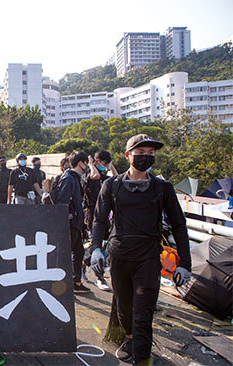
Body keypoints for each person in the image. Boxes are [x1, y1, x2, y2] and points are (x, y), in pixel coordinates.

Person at [91, 134, 192, 365]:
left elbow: (178, 224)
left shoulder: (162, 188)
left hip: (148, 256)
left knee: (143, 310)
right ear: (128, 156)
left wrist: (185, 263)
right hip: (119, 255)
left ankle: (143, 355)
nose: (146, 157)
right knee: (124, 308)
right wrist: (96, 248)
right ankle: (129, 337)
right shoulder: (112, 185)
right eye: (140, 153)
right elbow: (99, 220)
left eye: (151, 153)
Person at [56, 151, 91, 294]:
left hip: (76, 223)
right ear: (80, 163)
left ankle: (76, 282)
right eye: (86, 162)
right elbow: (62, 202)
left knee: (79, 252)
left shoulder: (76, 178)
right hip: (70, 224)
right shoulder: (69, 178)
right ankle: (63, 287)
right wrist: (69, 219)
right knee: (66, 255)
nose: (87, 165)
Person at [81, 152, 113, 291]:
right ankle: (99, 277)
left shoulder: (104, 177)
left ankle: (84, 262)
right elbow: (95, 176)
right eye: (103, 163)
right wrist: (90, 163)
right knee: (97, 242)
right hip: (92, 213)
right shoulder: (87, 174)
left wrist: (110, 166)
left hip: (105, 214)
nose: (105, 167)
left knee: (107, 243)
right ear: (97, 162)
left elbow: (117, 178)